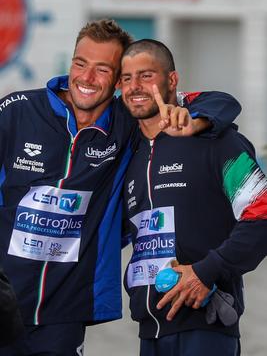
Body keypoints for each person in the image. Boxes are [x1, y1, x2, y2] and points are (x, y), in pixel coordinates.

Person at [0, 19, 241, 356]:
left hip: (65, 313)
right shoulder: (18, 110)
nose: (86, 78)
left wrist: (197, 120)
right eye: (80, 64)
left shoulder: (126, 122)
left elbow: (220, 101)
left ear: (117, 82)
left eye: (102, 69)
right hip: (5, 299)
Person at [120, 38, 267, 356]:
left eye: (146, 75)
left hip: (207, 326)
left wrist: (206, 271)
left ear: (171, 80)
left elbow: (262, 214)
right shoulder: (128, 153)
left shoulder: (219, 141)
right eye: (127, 78)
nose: (135, 86)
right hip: (150, 330)